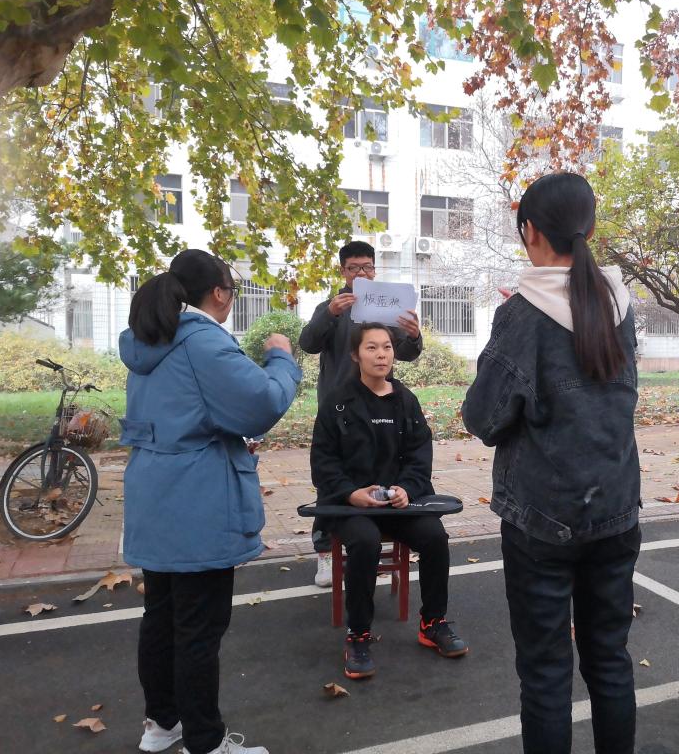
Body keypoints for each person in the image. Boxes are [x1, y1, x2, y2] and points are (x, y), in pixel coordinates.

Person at [461, 172, 641, 754]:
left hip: (542, 516)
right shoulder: (619, 303)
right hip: (616, 507)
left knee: (545, 672)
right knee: (609, 658)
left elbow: (484, 419)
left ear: (530, 231)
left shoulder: (523, 314)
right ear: (589, 226)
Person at [120, 250, 301, 754]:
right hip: (196, 500)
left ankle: (162, 724)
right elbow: (262, 402)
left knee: (161, 618)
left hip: (154, 493)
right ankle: (206, 742)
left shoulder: (148, 339)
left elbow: (187, 410)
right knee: (198, 629)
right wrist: (281, 357)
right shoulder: (202, 339)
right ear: (219, 293)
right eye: (232, 290)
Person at [310, 322, 468, 679]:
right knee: (364, 542)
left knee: (435, 537)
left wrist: (406, 489)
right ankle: (358, 634)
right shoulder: (337, 402)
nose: (381, 355)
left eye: (387, 347)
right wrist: (351, 493)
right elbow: (323, 463)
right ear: (355, 355)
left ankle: (432, 623)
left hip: (399, 504)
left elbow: (419, 457)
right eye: (371, 348)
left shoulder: (406, 400)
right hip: (351, 505)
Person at [299, 240, 423, 588]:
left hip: (381, 403)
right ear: (343, 272)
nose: (362, 274)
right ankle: (325, 551)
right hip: (339, 407)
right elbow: (308, 343)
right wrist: (330, 314)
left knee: (381, 465)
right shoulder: (332, 307)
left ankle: (376, 530)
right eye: (354, 268)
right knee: (331, 475)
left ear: (374, 269)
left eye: (367, 267)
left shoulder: (384, 307)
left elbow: (405, 352)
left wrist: (414, 336)